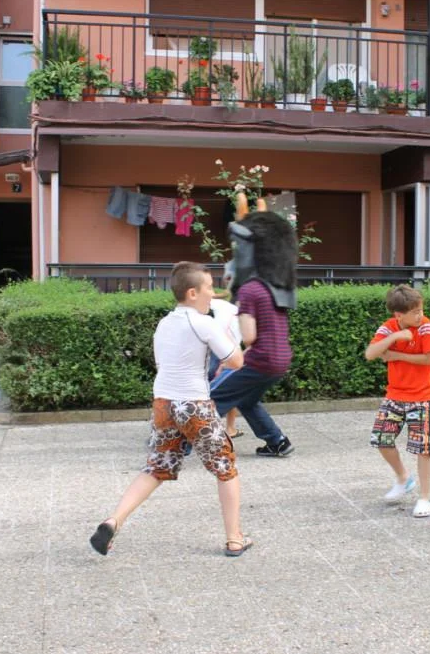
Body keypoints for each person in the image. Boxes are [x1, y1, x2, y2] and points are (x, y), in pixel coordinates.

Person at [90, 262, 252, 557]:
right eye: (208, 288)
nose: (213, 294)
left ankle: (113, 521)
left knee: (157, 468)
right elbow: (236, 360)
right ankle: (235, 539)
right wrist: (228, 331)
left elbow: (163, 364)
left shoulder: (164, 323)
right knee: (225, 467)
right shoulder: (203, 322)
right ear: (192, 293)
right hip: (194, 405)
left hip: (163, 403)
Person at [211, 210, 297, 457]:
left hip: (260, 359)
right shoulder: (277, 287)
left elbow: (249, 337)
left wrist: (230, 362)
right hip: (280, 360)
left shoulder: (250, 289)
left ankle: (177, 446)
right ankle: (277, 442)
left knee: (211, 397)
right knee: (246, 399)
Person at [364, 285, 430, 518]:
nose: (420, 315)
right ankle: (403, 478)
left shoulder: (425, 326)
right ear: (399, 315)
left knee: (422, 448)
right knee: (381, 438)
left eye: (420, 310)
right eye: (415, 312)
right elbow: (370, 353)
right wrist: (395, 337)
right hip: (395, 395)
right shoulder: (388, 327)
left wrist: (396, 355)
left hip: (423, 396)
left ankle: (424, 497)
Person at [209, 262, 243, 439]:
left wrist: (219, 293)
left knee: (210, 389)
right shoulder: (244, 312)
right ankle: (230, 428)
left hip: (218, 351)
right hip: (234, 353)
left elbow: (206, 298)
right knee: (231, 390)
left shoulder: (221, 306)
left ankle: (212, 426)